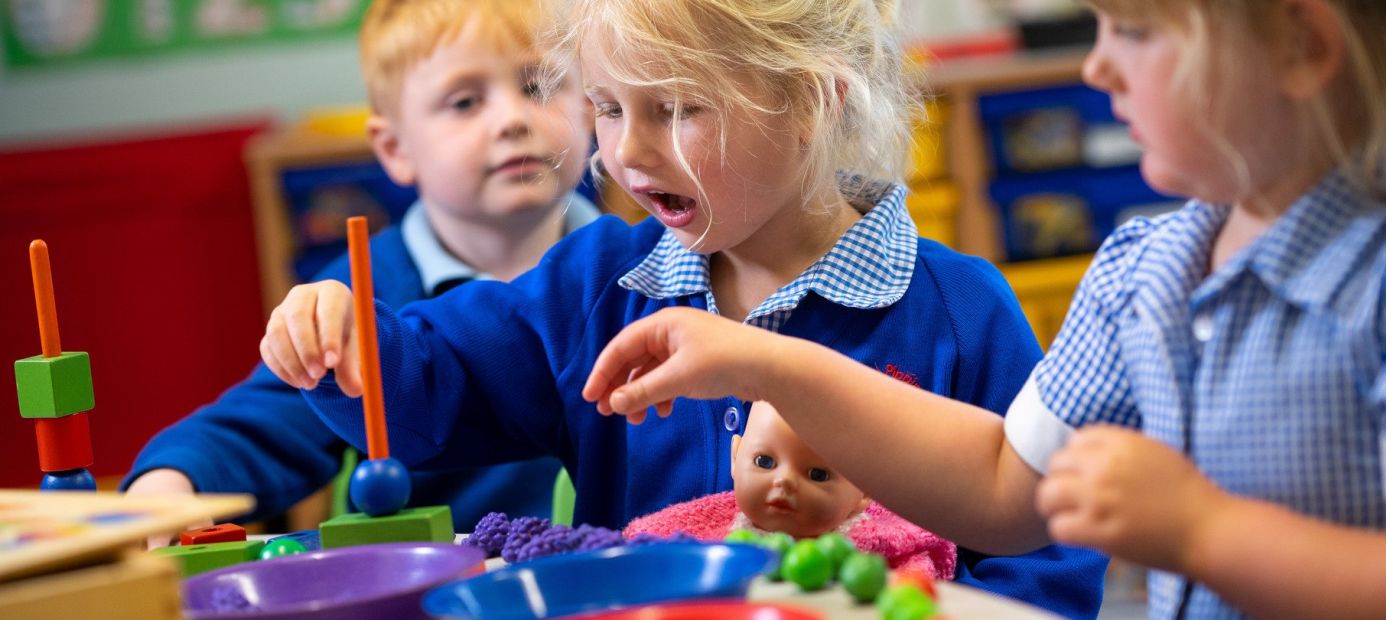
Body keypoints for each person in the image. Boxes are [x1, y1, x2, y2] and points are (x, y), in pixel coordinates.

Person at [582, 0, 1386, 618]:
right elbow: (1004, 483)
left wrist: (1202, 534)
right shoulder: (1148, 268)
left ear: (1300, 43)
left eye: (1137, 32)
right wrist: (762, 362)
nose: (1097, 68)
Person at [258, 0, 1108, 616]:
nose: (627, 151)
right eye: (607, 108)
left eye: (676, 108)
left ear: (815, 101)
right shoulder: (598, 284)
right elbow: (438, 390)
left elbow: (1050, 562)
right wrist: (356, 341)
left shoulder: (959, 310)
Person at [125, 0, 595, 537]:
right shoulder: (361, 293)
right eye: (465, 101)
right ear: (396, 148)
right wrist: (172, 479)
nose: (513, 119)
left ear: (588, 108)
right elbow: (268, 421)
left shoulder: (644, 264)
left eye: (537, 87)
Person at [624, 401, 957, 579]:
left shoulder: (880, 545)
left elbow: (916, 582)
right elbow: (646, 543)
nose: (783, 481)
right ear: (736, 457)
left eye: (817, 474)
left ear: (865, 488)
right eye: (765, 462)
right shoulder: (708, 526)